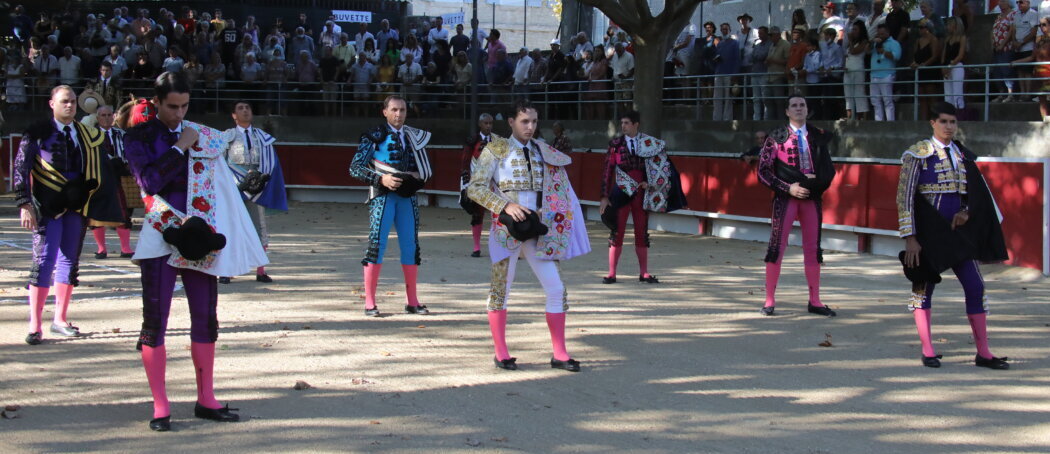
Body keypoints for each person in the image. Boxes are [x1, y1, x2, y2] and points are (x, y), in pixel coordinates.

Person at [123, 72, 268, 431]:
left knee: (205, 316)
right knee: (155, 320)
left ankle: (206, 398)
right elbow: (149, 182)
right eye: (172, 106)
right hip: (161, 230)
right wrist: (179, 147)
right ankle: (160, 404)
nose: (179, 112)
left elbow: (220, 174)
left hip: (199, 232)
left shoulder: (201, 132)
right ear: (156, 102)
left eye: (185, 105)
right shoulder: (137, 136)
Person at [466, 99, 590, 372]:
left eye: (534, 121)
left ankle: (559, 353)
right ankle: (501, 352)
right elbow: (474, 189)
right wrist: (505, 205)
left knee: (557, 289)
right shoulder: (496, 149)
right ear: (511, 122)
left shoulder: (544, 151)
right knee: (501, 290)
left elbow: (559, 192)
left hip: (537, 231)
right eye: (525, 121)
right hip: (505, 230)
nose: (530, 127)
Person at [897, 102, 1009, 369]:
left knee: (976, 287)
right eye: (944, 121)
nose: (949, 126)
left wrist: (967, 211)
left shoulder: (962, 155)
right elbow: (904, 198)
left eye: (953, 122)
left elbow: (974, 195)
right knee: (921, 289)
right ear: (932, 123)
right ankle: (928, 350)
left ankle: (983, 352)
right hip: (927, 235)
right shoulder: (917, 154)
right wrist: (910, 237)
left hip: (958, 235)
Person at [14, 85, 124, 345]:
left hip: (76, 205)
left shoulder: (87, 133)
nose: (70, 106)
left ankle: (60, 319)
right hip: (47, 206)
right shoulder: (37, 131)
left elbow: (98, 166)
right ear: (51, 103)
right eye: (64, 101)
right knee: (44, 260)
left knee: (69, 260)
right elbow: (21, 166)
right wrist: (23, 203)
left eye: (73, 102)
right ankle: (35, 323)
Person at [348, 96, 433, 317]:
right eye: (394, 110)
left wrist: (416, 177)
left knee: (411, 247)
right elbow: (355, 168)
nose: (399, 114)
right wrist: (380, 180)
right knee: (376, 246)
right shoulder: (374, 135)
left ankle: (412, 301)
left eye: (402, 110)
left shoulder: (413, 136)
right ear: (384, 112)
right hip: (382, 196)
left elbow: (422, 167)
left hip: (407, 197)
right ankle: (369, 303)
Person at [756, 95, 837, 317]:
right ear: (787, 111)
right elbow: (762, 172)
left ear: (807, 110)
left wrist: (813, 184)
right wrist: (788, 188)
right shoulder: (776, 137)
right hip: (786, 198)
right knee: (777, 246)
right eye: (794, 105)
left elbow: (829, 172)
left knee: (813, 248)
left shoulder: (818, 136)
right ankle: (769, 299)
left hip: (811, 197)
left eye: (802, 105)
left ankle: (815, 300)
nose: (799, 108)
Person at [600, 111, 684, 284]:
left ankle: (644, 273)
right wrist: (604, 196)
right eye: (622, 123)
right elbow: (608, 171)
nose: (623, 126)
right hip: (622, 191)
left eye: (626, 123)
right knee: (617, 231)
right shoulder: (615, 144)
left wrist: (649, 182)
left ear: (636, 124)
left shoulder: (649, 143)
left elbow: (659, 168)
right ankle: (611, 273)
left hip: (641, 193)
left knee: (642, 231)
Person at [218, 101, 288, 284]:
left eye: (247, 108)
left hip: (257, 190)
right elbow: (219, 163)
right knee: (230, 228)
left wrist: (260, 181)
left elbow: (271, 163)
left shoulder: (262, 137)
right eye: (240, 108)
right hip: (233, 189)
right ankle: (227, 270)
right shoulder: (227, 136)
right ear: (234, 115)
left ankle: (260, 270)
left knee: (260, 228)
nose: (245, 111)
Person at [89, 105, 135, 259]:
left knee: (122, 210)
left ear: (114, 116)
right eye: (103, 115)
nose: (106, 118)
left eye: (109, 115)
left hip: (117, 176)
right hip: (97, 177)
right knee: (96, 212)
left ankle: (126, 248)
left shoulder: (122, 134)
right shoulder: (90, 135)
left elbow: (130, 153)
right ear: (97, 117)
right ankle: (101, 249)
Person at [461, 113, 496, 257]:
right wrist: (466, 185)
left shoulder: (497, 140)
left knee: (499, 215)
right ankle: (476, 247)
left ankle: (501, 247)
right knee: (477, 215)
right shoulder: (472, 141)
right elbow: (465, 162)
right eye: (486, 123)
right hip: (478, 183)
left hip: (494, 182)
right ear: (480, 124)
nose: (488, 126)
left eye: (490, 123)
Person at [1011, 18, 1050, 121]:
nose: (1041, 27)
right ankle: (1046, 122)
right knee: (1042, 100)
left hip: (1049, 74)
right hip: (1039, 76)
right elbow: (1032, 57)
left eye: (1044, 24)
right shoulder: (1039, 41)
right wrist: (1017, 62)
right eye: (1039, 25)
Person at [911, 20, 942, 120]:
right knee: (922, 97)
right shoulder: (918, 41)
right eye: (919, 27)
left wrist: (925, 64)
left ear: (928, 28)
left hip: (930, 71)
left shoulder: (933, 39)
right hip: (920, 71)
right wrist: (915, 63)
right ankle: (924, 119)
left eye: (922, 27)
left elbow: (935, 56)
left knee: (931, 96)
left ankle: (935, 119)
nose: (920, 29)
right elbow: (915, 55)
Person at [870, 23, 901, 121]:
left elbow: (896, 56)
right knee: (875, 101)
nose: (880, 36)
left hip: (887, 74)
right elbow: (866, 51)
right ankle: (878, 122)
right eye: (879, 34)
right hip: (874, 75)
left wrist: (883, 51)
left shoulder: (894, 43)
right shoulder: (875, 43)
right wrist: (871, 42)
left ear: (888, 33)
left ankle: (890, 122)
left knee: (887, 100)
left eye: (882, 34)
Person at [844, 21, 871, 120]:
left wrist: (850, 41)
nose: (853, 32)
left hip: (858, 70)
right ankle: (850, 116)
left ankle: (862, 116)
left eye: (855, 29)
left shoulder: (864, 42)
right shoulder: (851, 43)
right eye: (852, 29)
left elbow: (855, 51)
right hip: (848, 71)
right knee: (848, 94)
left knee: (859, 93)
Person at [1013, 0, 1039, 101]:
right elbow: (1014, 29)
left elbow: (1033, 31)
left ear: (1028, 3)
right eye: (1017, 2)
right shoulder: (1016, 14)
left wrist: (1021, 43)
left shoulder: (1033, 14)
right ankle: (1022, 93)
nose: (1019, 4)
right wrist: (1014, 42)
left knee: (1027, 71)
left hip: (1028, 47)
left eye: (1021, 2)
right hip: (1017, 48)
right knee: (1019, 71)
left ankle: (1028, 94)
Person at [713, 23, 740, 121]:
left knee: (728, 97)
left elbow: (737, 59)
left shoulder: (734, 43)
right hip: (719, 72)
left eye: (726, 29)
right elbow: (716, 56)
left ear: (729, 30)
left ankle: (727, 118)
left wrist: (735, 74)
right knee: (717, 97)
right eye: (723, 29)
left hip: (729, 73)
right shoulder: (720, 44)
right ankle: (716, 118)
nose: (724, 31)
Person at [942, 17, 968, 109]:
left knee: (957, 91)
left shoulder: (962, 38)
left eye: (949, 24)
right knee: (948, 93)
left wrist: (950, 66)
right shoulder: (947, 39)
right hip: (947, 66)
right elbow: (944, 55)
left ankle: (959, 112)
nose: (947, 26)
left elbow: (960, 55)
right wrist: (944, 67)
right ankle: (948, 114)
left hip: (957, 66)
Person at [766, 26, 791, 119]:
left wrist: (774, 61)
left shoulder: (785, 45)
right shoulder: (771, 45)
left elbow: (788, 61)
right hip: (769, 76)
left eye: (772, 35)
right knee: (768, 101)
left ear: (778, 34)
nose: (770, 37)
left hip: (779, 76)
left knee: (779, 102)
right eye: (770, 35)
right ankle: (770, 122)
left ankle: (781, 121)